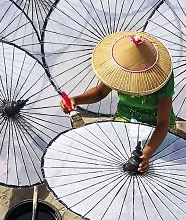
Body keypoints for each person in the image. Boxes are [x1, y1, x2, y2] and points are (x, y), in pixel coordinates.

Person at [60, 31, 175, 173]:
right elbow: (100, 92)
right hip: (124, 118)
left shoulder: (162, 78)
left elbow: (163, 123)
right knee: (109, 159)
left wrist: (146, 154)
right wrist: (76, 100)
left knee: (153, 168)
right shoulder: (119, 71)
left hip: (155, 125)